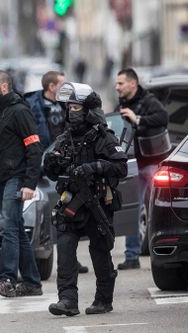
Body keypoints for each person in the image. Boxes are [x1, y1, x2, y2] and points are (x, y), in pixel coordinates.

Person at [44, 82, 127, 316]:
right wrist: (51, 163)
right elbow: (52, 173)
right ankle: (67, 300)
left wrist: (94, 167)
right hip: (71, 203)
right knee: (66, 248)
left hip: (97, 202)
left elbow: (121, 167)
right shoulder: (65, 138)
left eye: (77, 107)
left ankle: (103, 299)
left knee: (99, 251)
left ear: (89, 110)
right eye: (69, 107)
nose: (71, 111)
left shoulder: (103, 137)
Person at [0, 70, 43, 298]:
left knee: (8, 228)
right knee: (16, 229)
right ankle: (33, 282)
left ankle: (7, 279)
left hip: (18, 177)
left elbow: (34, 148)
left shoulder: (19, 111)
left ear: (4, 87)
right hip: (2, 178)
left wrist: (29, 183)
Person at [26, 71, 89, 274]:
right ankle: (41, 258)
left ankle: (70, 258)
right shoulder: (32, 105)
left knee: (68, 213)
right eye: (63, 83)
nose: (67, 86)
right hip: (41, 165)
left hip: (64, 165)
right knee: (44, 213)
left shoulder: (67, 104)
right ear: (52, 87)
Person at [115, 68, 169, 270]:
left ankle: (164, 249)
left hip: (154, 163)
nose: (117, 87)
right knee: (133, 211)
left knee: (161, 208)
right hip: (133, 165)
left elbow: (162, 118)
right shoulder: (121, 105)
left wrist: (137, 119)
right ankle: (132, 256)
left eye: (120, 83)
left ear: (132, 83)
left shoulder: (149, 101)